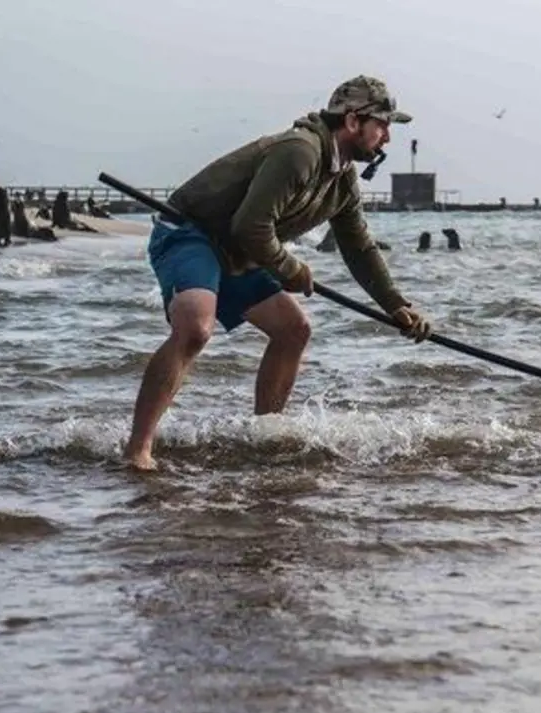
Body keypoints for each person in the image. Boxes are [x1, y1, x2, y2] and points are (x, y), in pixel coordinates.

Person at [123, 75, 433, 470]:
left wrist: (396, 305)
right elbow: (252, 226)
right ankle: (138, 450)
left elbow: (359, 248)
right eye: (383, 124)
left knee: (294, 329)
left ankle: (263, 438)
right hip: (191, 233)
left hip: (239, 253)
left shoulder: (343, 181)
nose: (387, 136)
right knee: (196, 328)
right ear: (353, 122)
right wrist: (289, 268)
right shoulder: (299, 152)